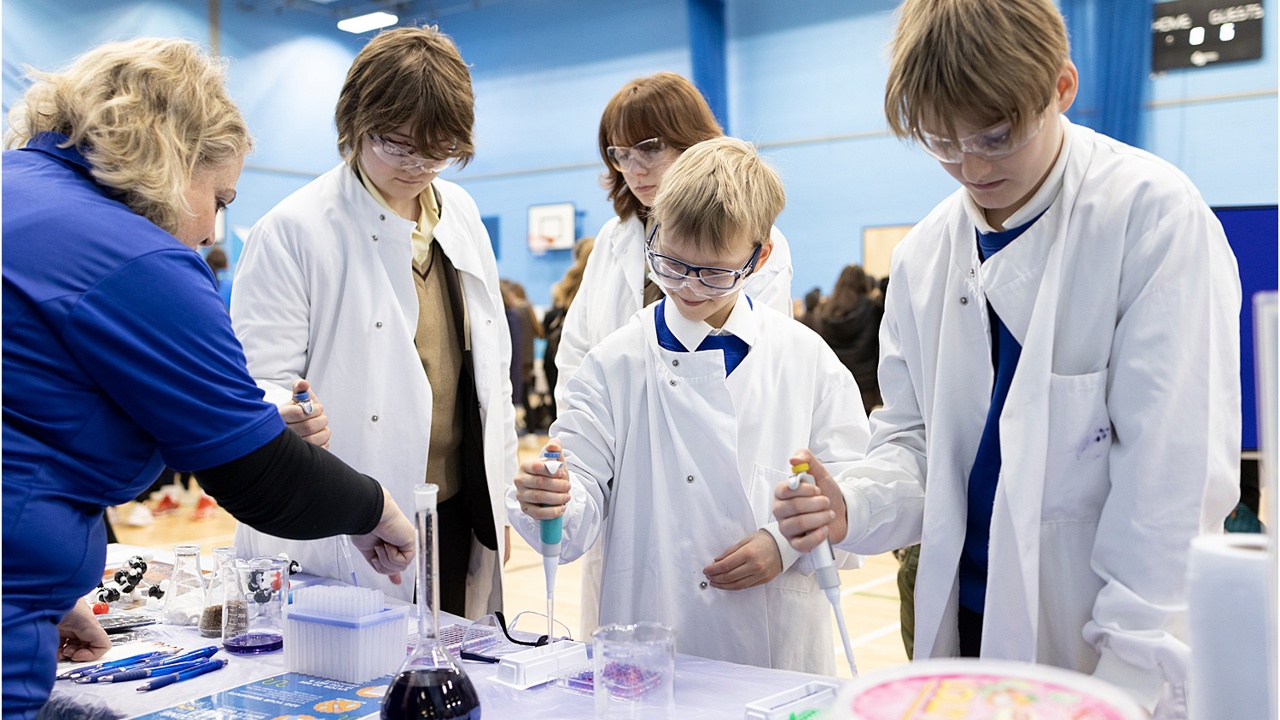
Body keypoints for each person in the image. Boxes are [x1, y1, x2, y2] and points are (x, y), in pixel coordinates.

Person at [773, 0, 1240, 715]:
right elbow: (916, 443)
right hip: (963, 621)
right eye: (941, 141)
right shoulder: (924, 254)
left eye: (995, 136)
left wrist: (1130, 674)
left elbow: (1171, 486)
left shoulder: (1151, 219)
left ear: (1060, 88)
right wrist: (855, 502)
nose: (970, 166)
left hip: (1103, 639)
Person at [1, 38, 416, 720]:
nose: (211, 230)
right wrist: (377, 511)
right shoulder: (134, 256)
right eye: (219, 198)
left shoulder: (17, 192)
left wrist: (51, 591)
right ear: (174, 160)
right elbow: (258, 476)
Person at [509, 137, 870, 674]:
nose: (689, 289)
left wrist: (784, 544)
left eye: (715, 273)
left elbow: (849, 489)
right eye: (672, 265)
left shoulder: (804, 359)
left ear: (759, 256)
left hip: (778, 648)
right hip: (652, 636)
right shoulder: (616, 363)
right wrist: (552, 499)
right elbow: (578, 487)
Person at [230, 26, 517, 617]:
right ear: (356, 123)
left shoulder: (460, 213)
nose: (417, 165)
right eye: (397, 144)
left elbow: (492, 374)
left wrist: (501, 501)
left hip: (459, 504)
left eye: (437, 151)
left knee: (456, 680)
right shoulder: (294, 230)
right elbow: (257, 384)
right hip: (350, 516)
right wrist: (283, 410)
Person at [554, 71, 796, 637]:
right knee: (628, 655)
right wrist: (585, 459)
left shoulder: (758, 245)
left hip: (723, 486)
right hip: (621, 484)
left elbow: (752, 370)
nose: (634, 168)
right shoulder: (613, 242)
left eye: (650, 147)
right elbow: (579, 360)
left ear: (694, 141)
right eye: (619, 153)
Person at [814, 265, 883, 415]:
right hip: (866, 383)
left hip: (837, 380)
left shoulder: (827, 310)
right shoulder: (871, 308)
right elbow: (877, 345)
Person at [542, 236, 595, 423]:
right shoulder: (598, 284)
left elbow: (548, 321)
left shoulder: (564, 286)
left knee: (563, 407)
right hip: (578, 349)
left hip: (556, 351)